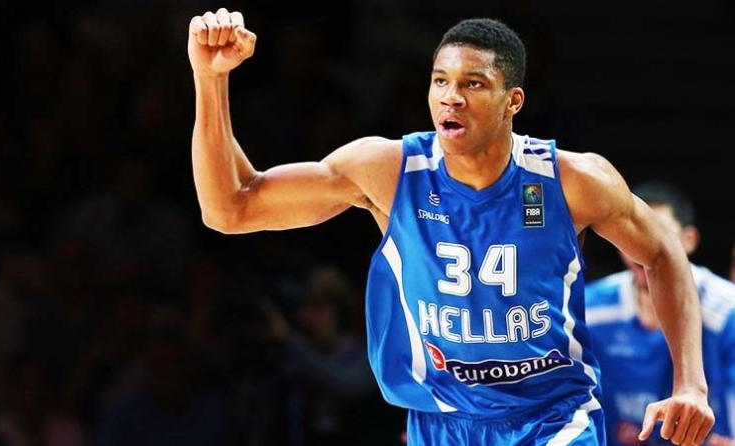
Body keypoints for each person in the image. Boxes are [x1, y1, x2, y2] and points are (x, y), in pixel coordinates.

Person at [186, 8, 715, 445]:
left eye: (472, 84)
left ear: (512, 102)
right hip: (440, 421)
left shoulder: (571, 180)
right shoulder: (388, 171)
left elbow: (662, 251)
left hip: (553, 417)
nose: (450, 96)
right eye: (440, 81)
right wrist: (211, 81)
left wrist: (691, 384)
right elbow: (230, 209)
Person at [586, 180, 735, 446]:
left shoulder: (727, 311)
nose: (644, 249)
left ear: (690, 240)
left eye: (661, 235)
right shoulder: (590, 307)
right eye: (633, 236)